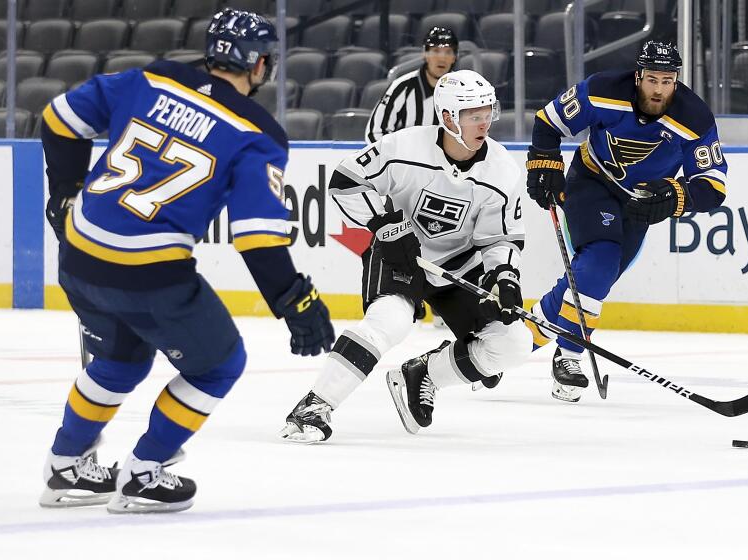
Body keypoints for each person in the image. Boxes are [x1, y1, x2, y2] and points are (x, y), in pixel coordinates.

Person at [38, 8, 335, 513]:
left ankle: (66, 466)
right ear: (259, 64)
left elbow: (57, 120)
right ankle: (145, 473)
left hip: (79, 253)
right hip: (149, 274)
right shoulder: (258, 133)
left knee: (119, 358)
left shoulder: (151, 76)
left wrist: (65, 190)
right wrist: (296, 301)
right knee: (220, 365)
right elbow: (257, 238)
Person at [280, 70, 531, 443]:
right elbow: (345, 183)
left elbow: (499, 239)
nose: (484, 122)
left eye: (487, 112)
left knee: (513, 344)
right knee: (389, 322)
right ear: (447, 117)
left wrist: (504, 278)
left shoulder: (502, 171)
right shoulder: (404, 147)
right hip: (399, 257)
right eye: (473, 115)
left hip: (457, 267)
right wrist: (382, 225)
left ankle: (423, 373)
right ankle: (315, 405)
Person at [524, 41, 728, 402]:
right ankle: (569, 356)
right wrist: (545, 160)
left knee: (593, 278)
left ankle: (508, 343)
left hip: (639, 203)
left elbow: (713, 185)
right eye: (652, 79)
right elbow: (548, 121)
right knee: (601, 259)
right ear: (638, 76)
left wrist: (676, 196)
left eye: (668, 81)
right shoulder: (604, 90)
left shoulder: (694, 117)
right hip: (591, 182)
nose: (660, 89)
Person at [365, 26, 458, 143]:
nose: (442, 58)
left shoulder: (463, 89)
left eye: (448, 52)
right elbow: (375, 132)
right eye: (436, 51)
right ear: (425, 54)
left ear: (455, 57)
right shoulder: (402, 87)